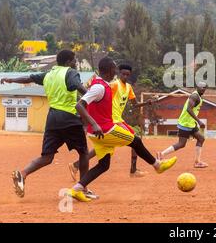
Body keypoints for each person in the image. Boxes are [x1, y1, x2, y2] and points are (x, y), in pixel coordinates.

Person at [66, 57, 177, 202]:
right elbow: (79, 105)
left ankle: (76, 189)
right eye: (115, 69)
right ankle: (157, 165)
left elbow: (91, 103)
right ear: (111, 70)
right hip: (105, 129)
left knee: (104, 165)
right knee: (135, 141)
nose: (117, 73)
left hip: (98, 132)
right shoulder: (101, 86)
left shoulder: (103, 85)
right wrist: (94, 123)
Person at [1, 50, 90, 198]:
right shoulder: (71, 72)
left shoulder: (48, 74)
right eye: (74, 60)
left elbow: (28, 78)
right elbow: (79, 88)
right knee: (84, 152)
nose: (75, 63)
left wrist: (11, 80)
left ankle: (23, 174)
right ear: (68, 62)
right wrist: (92, 96)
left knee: (47, 157)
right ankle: (83, 188)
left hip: (52, 118)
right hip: (68, 117)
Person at [68, 64, 153, 180]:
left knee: (105, 147)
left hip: (118, 119)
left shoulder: (128, 88)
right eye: (123, 74)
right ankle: (133, 170)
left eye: (127, 74)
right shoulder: (113, 85)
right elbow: (97, 93)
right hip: (112, 119)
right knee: (135, 138)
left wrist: (146, 103)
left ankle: (76, 165)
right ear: (118, 73)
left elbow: (135, 105)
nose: (125, 76)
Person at [158, 82, 208, 168]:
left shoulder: (199, 96)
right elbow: (189, 109)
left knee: (201, 138)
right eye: (201, 87)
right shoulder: (194, 96)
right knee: (181, 144)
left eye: (204, 88)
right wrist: (199, 121)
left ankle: (197, 162)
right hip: (185, 123)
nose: (202, 89)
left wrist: (195, 122)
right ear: (197, 87)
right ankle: (161, 154)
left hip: (191, 123)